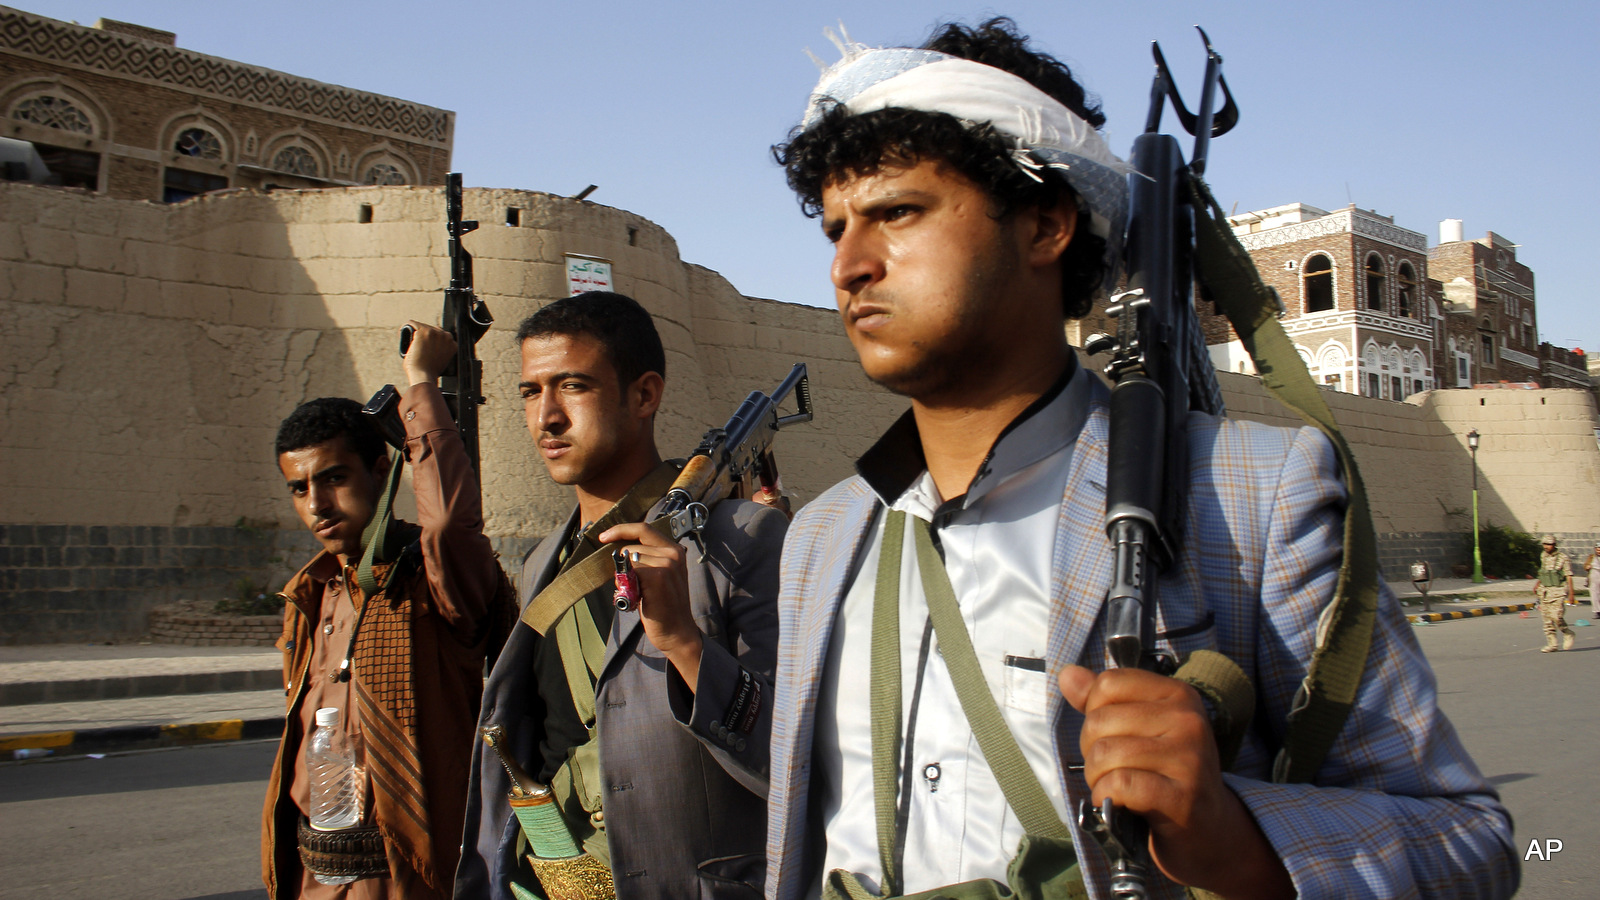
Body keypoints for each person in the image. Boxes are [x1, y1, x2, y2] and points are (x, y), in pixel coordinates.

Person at [761, 18, 1517, 900]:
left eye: (897, 212)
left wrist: (1239, 843)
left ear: (1046, 223)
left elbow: (1469, 842)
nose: (849, 265)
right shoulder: (820, 540)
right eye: (836, 229)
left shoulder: (1250, 497)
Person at [455, 292, 787, 900]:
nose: (546, 417)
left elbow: (794, 757)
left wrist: (685, 645)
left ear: (644, 395)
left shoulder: (744, 540)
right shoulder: (541, 565)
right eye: (531, 391)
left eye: (572, 387)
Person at [262, 322, 515, 899]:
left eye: (333, 479)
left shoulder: (430, 580)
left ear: (381, 471)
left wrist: (421, 383)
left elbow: (449, 522)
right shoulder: (310, 596)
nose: (317, 504)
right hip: (315, 874)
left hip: (407, 877)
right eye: (299, 489)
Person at [1535, 535, 1576, 652]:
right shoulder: (1543, 556)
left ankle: (1567, 632)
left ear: (1554, 545)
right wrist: (1537, 583)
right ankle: (1552, 644)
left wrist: (1571, 594)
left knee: (1557, 616)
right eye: (1545, 544)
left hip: (1558, 591)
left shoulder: (1563, 558)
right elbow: (1543, 571)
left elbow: (1568, 576)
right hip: (1545, 590)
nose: (1547, 547)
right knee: (1547, 619)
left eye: (1550, 544)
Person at [1586, 543, 1600, 621]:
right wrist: (1587, 567)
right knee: (1594, 594)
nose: (1599, 551)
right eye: (1597, 549)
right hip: (1594, 576)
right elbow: (1585, 566)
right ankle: (1597, 611)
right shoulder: (1591, 557)